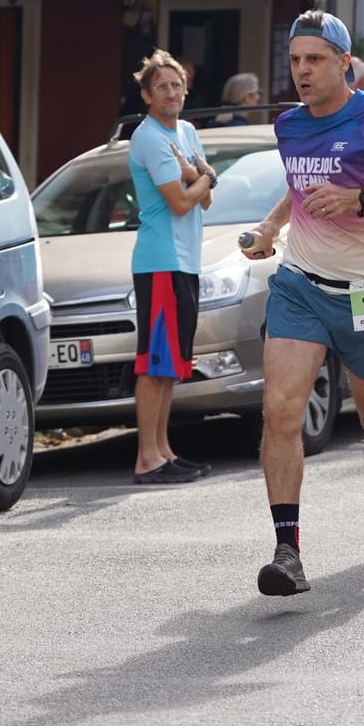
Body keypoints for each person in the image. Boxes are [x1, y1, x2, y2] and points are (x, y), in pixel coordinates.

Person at [238, 10, 364, 595]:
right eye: (295, 60)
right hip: (301, 284)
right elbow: (299, 186)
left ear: (344, 64)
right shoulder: (289, 126)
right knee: (280, 410)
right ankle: (287, 551)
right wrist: (271, 227)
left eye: (315, 61)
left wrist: (361, 198)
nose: (302, 71)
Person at [127, 50, 218, 486]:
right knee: (154, 362)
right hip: (160, 260)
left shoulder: (186, 131)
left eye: (176, 84)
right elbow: (182, 201)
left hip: (186, 260)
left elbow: (204, 198)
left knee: (171, 364)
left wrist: (197, 176)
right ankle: (147, 457)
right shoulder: (149, 137)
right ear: (146, 94)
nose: (171, 91)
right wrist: (205, 175)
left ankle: (163, 451)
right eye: (161, 85)